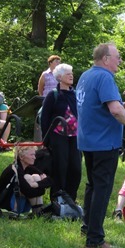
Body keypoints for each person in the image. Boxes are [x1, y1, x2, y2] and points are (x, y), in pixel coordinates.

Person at [76, 42, 125, 248]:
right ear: (106, 58)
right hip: (104, 142)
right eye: (117, 56)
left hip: (88, 140)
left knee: (92, 186)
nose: (120, 60)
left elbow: (100, 105)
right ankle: (95, 240)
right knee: (101, 189)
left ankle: (88, 226)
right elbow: (114, 110)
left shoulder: (86, 76)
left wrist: (122, 106)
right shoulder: (105, 77)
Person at [39, 63, 82, 202]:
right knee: (60, 166)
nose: (71, 76)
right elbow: (44, 118)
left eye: (72, 73)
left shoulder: (75, 94)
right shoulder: (53, 95)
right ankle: (57, 199)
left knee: (75, 168)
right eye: (68, 74)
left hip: (75, 137)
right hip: (58, 136)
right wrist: (46, 140)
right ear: (59, 77)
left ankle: (71, 199)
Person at [0, 145, 52, 215]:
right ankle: (38, 211)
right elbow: (28, 192)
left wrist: (35, 184)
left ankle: (38, 211)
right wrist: (42, 188)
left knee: (36, 177)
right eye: (32, 155)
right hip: (8, 206)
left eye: (34, 155)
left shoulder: (28, 168)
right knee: (28, 177)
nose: (34, 157)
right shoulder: (15, 169)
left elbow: (50, 180)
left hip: (22, 204)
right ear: (21, 157)